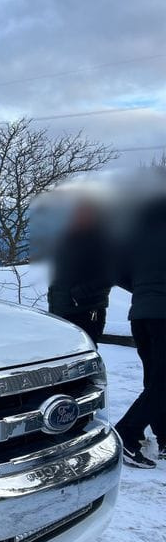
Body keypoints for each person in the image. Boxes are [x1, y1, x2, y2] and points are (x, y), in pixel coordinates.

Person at [114, 189, 166, 469]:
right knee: (162, 383)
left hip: (141, 315)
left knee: (156, 381)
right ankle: (128, 434)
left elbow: (118, 272)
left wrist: (145, 290)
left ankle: (164, 436)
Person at [47, 201, 113, 344]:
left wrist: (81, 293)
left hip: (87, 311)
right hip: (61, 312)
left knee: (85, 353)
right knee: (64, 356)